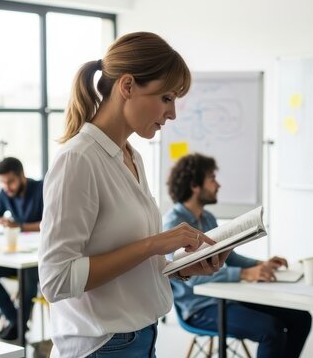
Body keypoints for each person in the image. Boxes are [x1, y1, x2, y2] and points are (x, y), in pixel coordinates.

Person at [38, 32, 229, 358]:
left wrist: (183, 268)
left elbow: (126, 258)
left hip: (140, 336)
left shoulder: (131, 156)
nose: (172, 114)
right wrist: (155, 244)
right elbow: (56, 280)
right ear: (127, 86)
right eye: (166, 98)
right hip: (102, 345)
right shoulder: (79, 159)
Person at [164, 153, 312, 358]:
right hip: (199, 307)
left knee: (301, 318)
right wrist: (245, 274)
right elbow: (192, 277)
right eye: (212, 179)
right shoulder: (174, 224)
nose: (218, 185)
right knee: (271, 330)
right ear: (194, 185)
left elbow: (230, 258)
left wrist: (261, 264)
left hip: (227, 296)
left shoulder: (207, 218)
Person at [0, 157, 43, 340]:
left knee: (28, 276)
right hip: (18, 256)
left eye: (10, 181)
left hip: (39, 259)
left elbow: (50, 223)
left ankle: (18, 326)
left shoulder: (42, 188)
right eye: (2, 183)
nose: (7, 187)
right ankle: (16, 321)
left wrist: (19, 226)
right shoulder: (5, 193)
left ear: (22, 176)